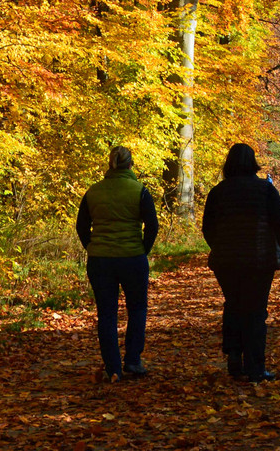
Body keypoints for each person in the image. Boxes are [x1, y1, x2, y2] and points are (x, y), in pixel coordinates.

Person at [202, 144, 280, 382]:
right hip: (259, 260)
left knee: (233, 304)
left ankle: (233, 355)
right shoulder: (265, 190)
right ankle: (255, 367)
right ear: (253, 162)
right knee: (255, 311)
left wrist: (220, 247)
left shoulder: (218, 192)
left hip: (226, 262)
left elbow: (207, 228)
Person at [75, 145, 159, 383]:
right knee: (137, 308)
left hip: (100, 261)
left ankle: (113, 367)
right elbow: (152, 225)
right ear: (131, 165)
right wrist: (143, 249)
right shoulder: (139, 191)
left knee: (107, 313)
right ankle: (133, 360)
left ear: (109, 164)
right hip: (132, 257)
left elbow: (82, 226)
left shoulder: (93, 192)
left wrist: (92, 247)